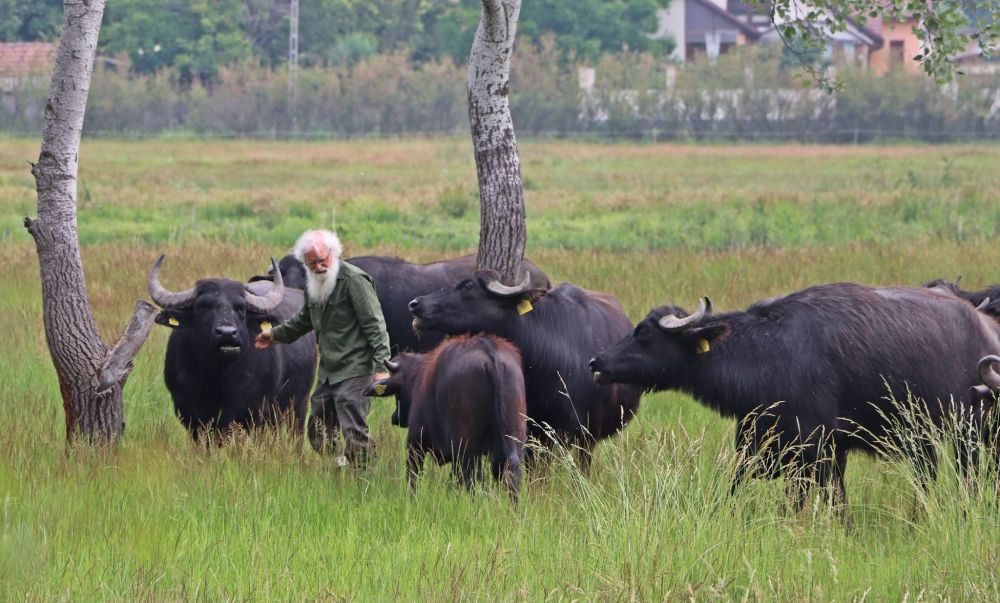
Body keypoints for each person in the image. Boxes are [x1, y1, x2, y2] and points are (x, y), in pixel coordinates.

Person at [256, 229, 390, 468]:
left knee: (353, 430)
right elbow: (304, 319)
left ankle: (366, 477)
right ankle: (343, 464)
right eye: (311, 263)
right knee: (318, 433)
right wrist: (274, 335)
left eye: (322, 260)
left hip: (355, 370)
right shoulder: (314, 285)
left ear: (334, 253)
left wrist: (382, 368)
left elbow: (375, 325)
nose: (318, 267)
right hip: (329, 371)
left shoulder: (354, 281)